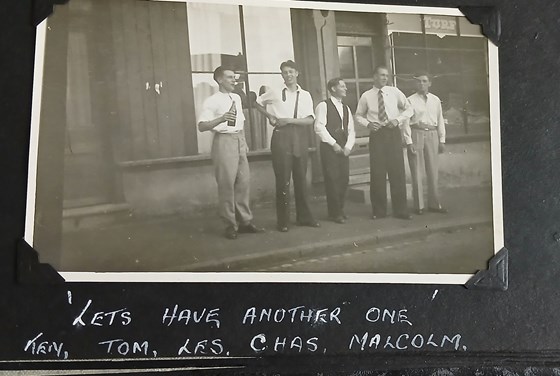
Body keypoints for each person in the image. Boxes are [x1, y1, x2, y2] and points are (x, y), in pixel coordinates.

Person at [197, 66, 264, 240]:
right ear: (219, 80)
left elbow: (239, 123)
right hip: (223, 141)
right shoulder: (212, 101)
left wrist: (244, 142)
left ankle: (245, 222)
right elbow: (202, 126)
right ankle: (230, 224)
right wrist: (221, 118)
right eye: (229, 77)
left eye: (234, 77)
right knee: (227, 184)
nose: (234, 80)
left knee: (243, 182)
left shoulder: (236, 97)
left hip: (239, 141)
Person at [253, 60, 319, 232]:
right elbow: (256, 103)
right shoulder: (275, 92)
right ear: (281, 75)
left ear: (297, 73)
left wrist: (288, 120)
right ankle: (283, 221)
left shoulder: (305, 95)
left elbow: (310, 120)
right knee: (283, 181)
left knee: (301, 179)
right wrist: (269, 116)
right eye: (284, 72)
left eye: (291, 72)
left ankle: (304, 217)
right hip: (281, 138)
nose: (288, 75)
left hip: (299, 136)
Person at [354, 66, 413, 220]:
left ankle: (400, 210)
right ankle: (379, 211)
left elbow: (409, 109)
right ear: (374, 76)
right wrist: (368, 124)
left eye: (386, 75)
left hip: (393, 132)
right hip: (377, 134)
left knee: (397, 172)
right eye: (381, 75)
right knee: (378, 173)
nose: (384, 78)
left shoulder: (394, 92)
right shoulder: (366, 96)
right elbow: (358, 115)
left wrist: (397, 120)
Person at [314, 77, 356, 224]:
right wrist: (333, 144)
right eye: (342, 86)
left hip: (343, 147)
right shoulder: (323, 106)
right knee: (332, 179)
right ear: (333, 89)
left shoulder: (346, 108)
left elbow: (351, 130)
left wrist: (348, 147)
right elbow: (319, 127)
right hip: (329, 148)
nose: (345, 89)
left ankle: (340, 209)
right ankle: (334, 213)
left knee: (343, 179)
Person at [405, 72, 448, 215]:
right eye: (419, 81)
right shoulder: (409, 100)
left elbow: (440, 119)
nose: (421, 84)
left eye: (424, 81)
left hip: (432, 134)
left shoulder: (435, 100)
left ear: (430, 83)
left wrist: (442, 139)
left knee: (433, 171)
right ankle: (419, 206)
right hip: (416, 132)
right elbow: (405, 123)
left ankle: (434, 204)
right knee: (416, 170)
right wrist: (409, 141)